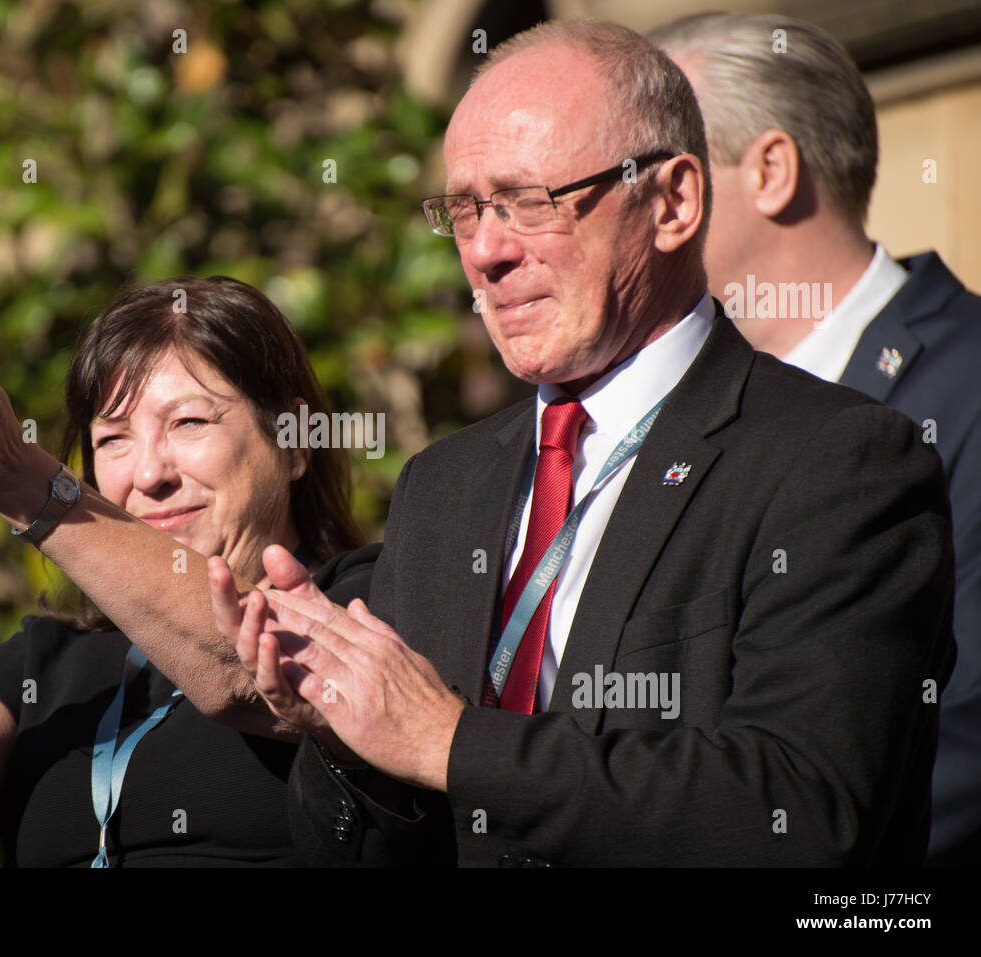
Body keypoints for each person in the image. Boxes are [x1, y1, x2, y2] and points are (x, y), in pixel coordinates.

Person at [210, 19, 955, 866]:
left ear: (673, 202)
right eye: (464, 210)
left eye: (530, 201)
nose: (486, 252)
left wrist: (448, 740)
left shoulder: (839, 461)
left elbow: (801, 806)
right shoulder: (443, 484)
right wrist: (348, 735)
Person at [0, 276, 374, 866]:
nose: (148, 475)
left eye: (189, 423)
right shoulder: (55, 657)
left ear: (295, 442)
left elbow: (244, 671)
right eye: (113, 439)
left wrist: (32, 493)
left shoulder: (370, 600)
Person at [647, 12, 981, 866]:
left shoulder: (966, 386)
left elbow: (959, 738)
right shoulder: (661, 420)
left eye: (657, 175)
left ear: (769, 170)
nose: (625, 213)